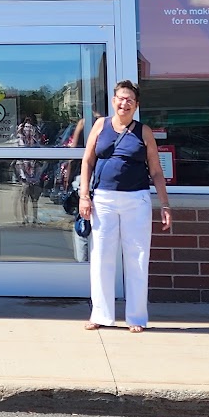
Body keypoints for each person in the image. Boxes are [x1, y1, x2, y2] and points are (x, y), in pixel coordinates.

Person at [78, 79, 171, 331]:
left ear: (136, 105)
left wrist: (165, 204)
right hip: (103, 200)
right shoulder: (100, 125)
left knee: (137, 257)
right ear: (113, 101)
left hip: (136, 200)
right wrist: (84, 195)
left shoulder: (144, 132)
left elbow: (156, 171)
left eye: (130, 99)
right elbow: (87, 161)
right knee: (101, 257)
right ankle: (100, 315)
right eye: (121, 98)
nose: (124, 103)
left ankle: (136, 318)